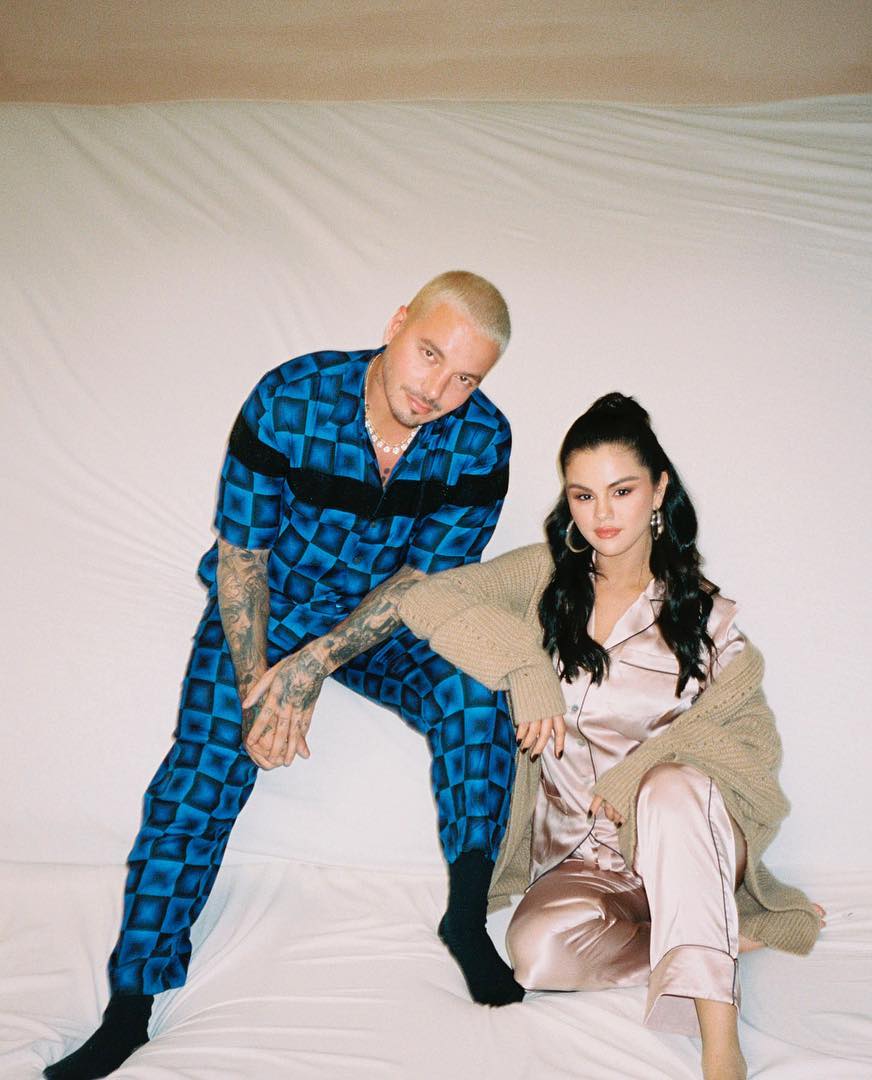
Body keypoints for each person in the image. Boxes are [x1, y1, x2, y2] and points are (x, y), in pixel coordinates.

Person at [45, 271, 524, 1080]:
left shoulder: (483, 440)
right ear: (397, 323)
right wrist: (260, 685)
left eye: (465, 378)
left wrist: (317, 664)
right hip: (270, 605)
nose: (437, 389)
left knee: (480, 694)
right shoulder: (289, 398)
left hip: (383, 618)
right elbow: (243, 558)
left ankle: (467, 918)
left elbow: (422, 584)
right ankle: (130, 1005)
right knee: (200, 775)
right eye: (429, 354)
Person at [396, 393, 824, 1080]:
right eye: (583, 495)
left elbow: (751, 754)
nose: (602, 514)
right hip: (584, 861)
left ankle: (721, 1041)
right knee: (537, 956)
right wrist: (526, 668)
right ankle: (709, 935)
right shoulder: (545, 580)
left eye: (621, 491)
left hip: (687, 836)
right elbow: (423, 597)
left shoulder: (706, 620)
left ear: (658, 490)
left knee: (672, 790)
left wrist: (641, 771)